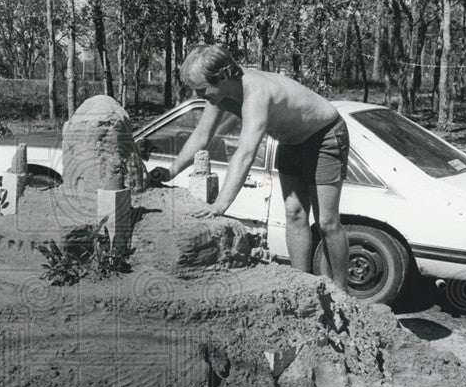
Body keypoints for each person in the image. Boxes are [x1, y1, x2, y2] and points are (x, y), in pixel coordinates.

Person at [149, 43, 350, 290]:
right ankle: (304, 287)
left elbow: (245, 154)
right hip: (290, 142)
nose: (198, 96)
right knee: (294, 213)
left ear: (222, 77)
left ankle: (342, 294)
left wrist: (220, 205)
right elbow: (202, 136)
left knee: (327, 222)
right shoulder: (219, 93)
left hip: (325, 136)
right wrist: (172, 170)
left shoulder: (256, 92)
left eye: (201, 89)